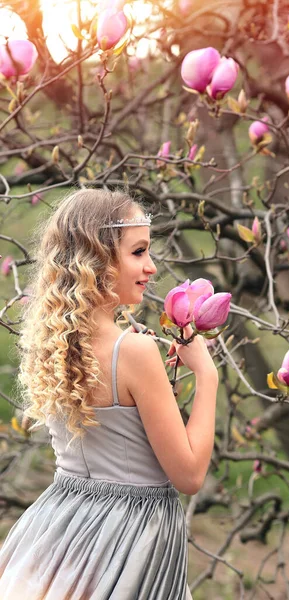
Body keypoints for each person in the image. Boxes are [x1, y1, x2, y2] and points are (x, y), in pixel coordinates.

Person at [0, 188, 219, 599]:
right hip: (129, 537)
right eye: (138, 252)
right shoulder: (133, 351)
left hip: (58, 526)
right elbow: (189, 476)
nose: (152, 267)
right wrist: (207, 376)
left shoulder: (55, 343)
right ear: (97, 257)